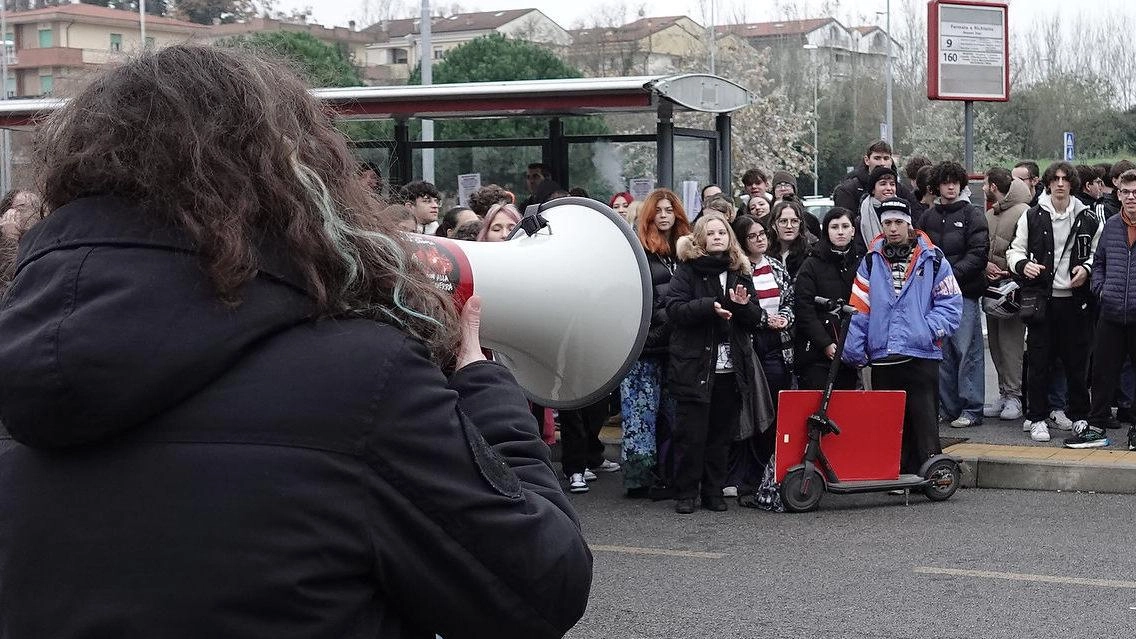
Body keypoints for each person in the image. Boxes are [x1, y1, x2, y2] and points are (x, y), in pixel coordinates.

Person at [0, 45, 592, 639]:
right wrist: (485, 391)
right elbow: (540, 586)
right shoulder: (361, 381)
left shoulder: (17, 367)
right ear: (293, 178)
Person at [843, 197, 962, 475]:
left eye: (898, 222)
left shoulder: (934, 259)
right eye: (887, 223)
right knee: (890, 421)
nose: (893, 228)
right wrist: (854, 349)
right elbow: (860, 307)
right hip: (884, 354)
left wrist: (927, 330)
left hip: (922, 353)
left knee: (924, 420)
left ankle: (931, 474)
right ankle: (893, 473)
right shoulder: (870, 262)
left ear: (909, 224)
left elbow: (951, 303)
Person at [665, 213, 773, 514]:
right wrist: (707, 307)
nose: (716, 236)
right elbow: (673, 309)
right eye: (710, 232)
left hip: (731, 369)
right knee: (691, 435)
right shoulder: (687, 271)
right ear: (700, 239)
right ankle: (686, 493)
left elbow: (755, 318)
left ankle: (713, 492)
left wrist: (741, 307)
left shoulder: (739, 271)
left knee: (721, 436)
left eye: (721, 232)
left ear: (730, 238)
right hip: (695, 366)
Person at [1007, 161, 1102, 443]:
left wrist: (1086, 269)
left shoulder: (1087, 218)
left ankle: (1079, 416)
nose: (1060, 184)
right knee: (1038, 362)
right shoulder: (1032, 216)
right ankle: (1036, 417)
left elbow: (1099, 254)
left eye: (1065, 179)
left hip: (1075, 302)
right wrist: (1024, 265)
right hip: (1042, 301)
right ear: (1047, 183)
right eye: (1055, 179)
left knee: (1077, 363)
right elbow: (1015, 250)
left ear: (1071, 183)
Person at [620, 188, 692, 499]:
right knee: (640, 414)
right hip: (646, 345)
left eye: (669, 210)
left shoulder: (687, 250)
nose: (664, 215)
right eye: (659, 210)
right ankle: (638, 477)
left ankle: (669, 473)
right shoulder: (637, 251)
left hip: (678, 345)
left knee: (674, 414)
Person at [915, 161, 990, 428]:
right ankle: (949, 407)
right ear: (936, 186)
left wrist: (949, 276)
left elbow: (979, 253)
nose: (950, 186)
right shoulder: (927, 217)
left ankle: (972, 408)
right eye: (945, 182)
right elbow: (920, 252)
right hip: (934, 298)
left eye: (955, 182)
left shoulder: (973, 215)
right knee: (942, 352)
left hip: (965, 294)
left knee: (967, 351)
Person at [729, 214, 794, 498]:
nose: (760, 239)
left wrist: (784, 319)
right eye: (753, 236)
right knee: (754, 411)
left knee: (775, 411)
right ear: (742, 241)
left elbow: (790, 300)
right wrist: (765, 321)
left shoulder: (778, 267)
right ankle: (749, 474)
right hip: (752, 346)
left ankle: (770, 471)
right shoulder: (738, 271)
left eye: (762, 234)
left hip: (778, 345)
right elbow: (741, 312)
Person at [1076, 169, 1136, 450]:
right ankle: (1096, 425)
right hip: (1110, 312)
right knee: (1102, 371)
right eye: (1126, 192)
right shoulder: (1111, 224)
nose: (1131, 198)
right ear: (1118, 193)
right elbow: (1098, 262)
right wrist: (1100, 288)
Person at [981, 168, 1031, 422]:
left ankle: (1014, 396)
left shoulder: (1023, 212)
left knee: (1011, 345)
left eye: (985, 184)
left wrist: (1009, 271)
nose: (981, 188)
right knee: (998, 345)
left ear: (993, 186)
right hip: (992, 289)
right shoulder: (992, 213)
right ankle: (1003, 393)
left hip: (1013, 288)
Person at [793, 207, 862, 391]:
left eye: (845, 226)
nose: (840, 232)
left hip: (851, 348)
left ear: (853, 231)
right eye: (834, 227)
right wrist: (825, 343)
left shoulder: (861, 263)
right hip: (816, 351)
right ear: (826, 231)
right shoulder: (812, 264)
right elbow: (803, 307)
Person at [831, 140, 918, 214]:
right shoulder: (848, 190)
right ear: (867, 160)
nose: (882, 163)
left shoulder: (901, 190)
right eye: (877, 158)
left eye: (886, 158)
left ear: (891, 161)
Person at [854, 164, 900, 252]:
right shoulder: (862, 218)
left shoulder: (903, 211)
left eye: (892, 184)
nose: (889, 188)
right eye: (883, 184)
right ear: (873, 189)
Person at [770, 198, 815, 279]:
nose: (789, 226)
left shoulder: (810, 255)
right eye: (783, 221)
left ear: (800, 224)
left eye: (794, 221)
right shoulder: (765, 255)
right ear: (773, 225)